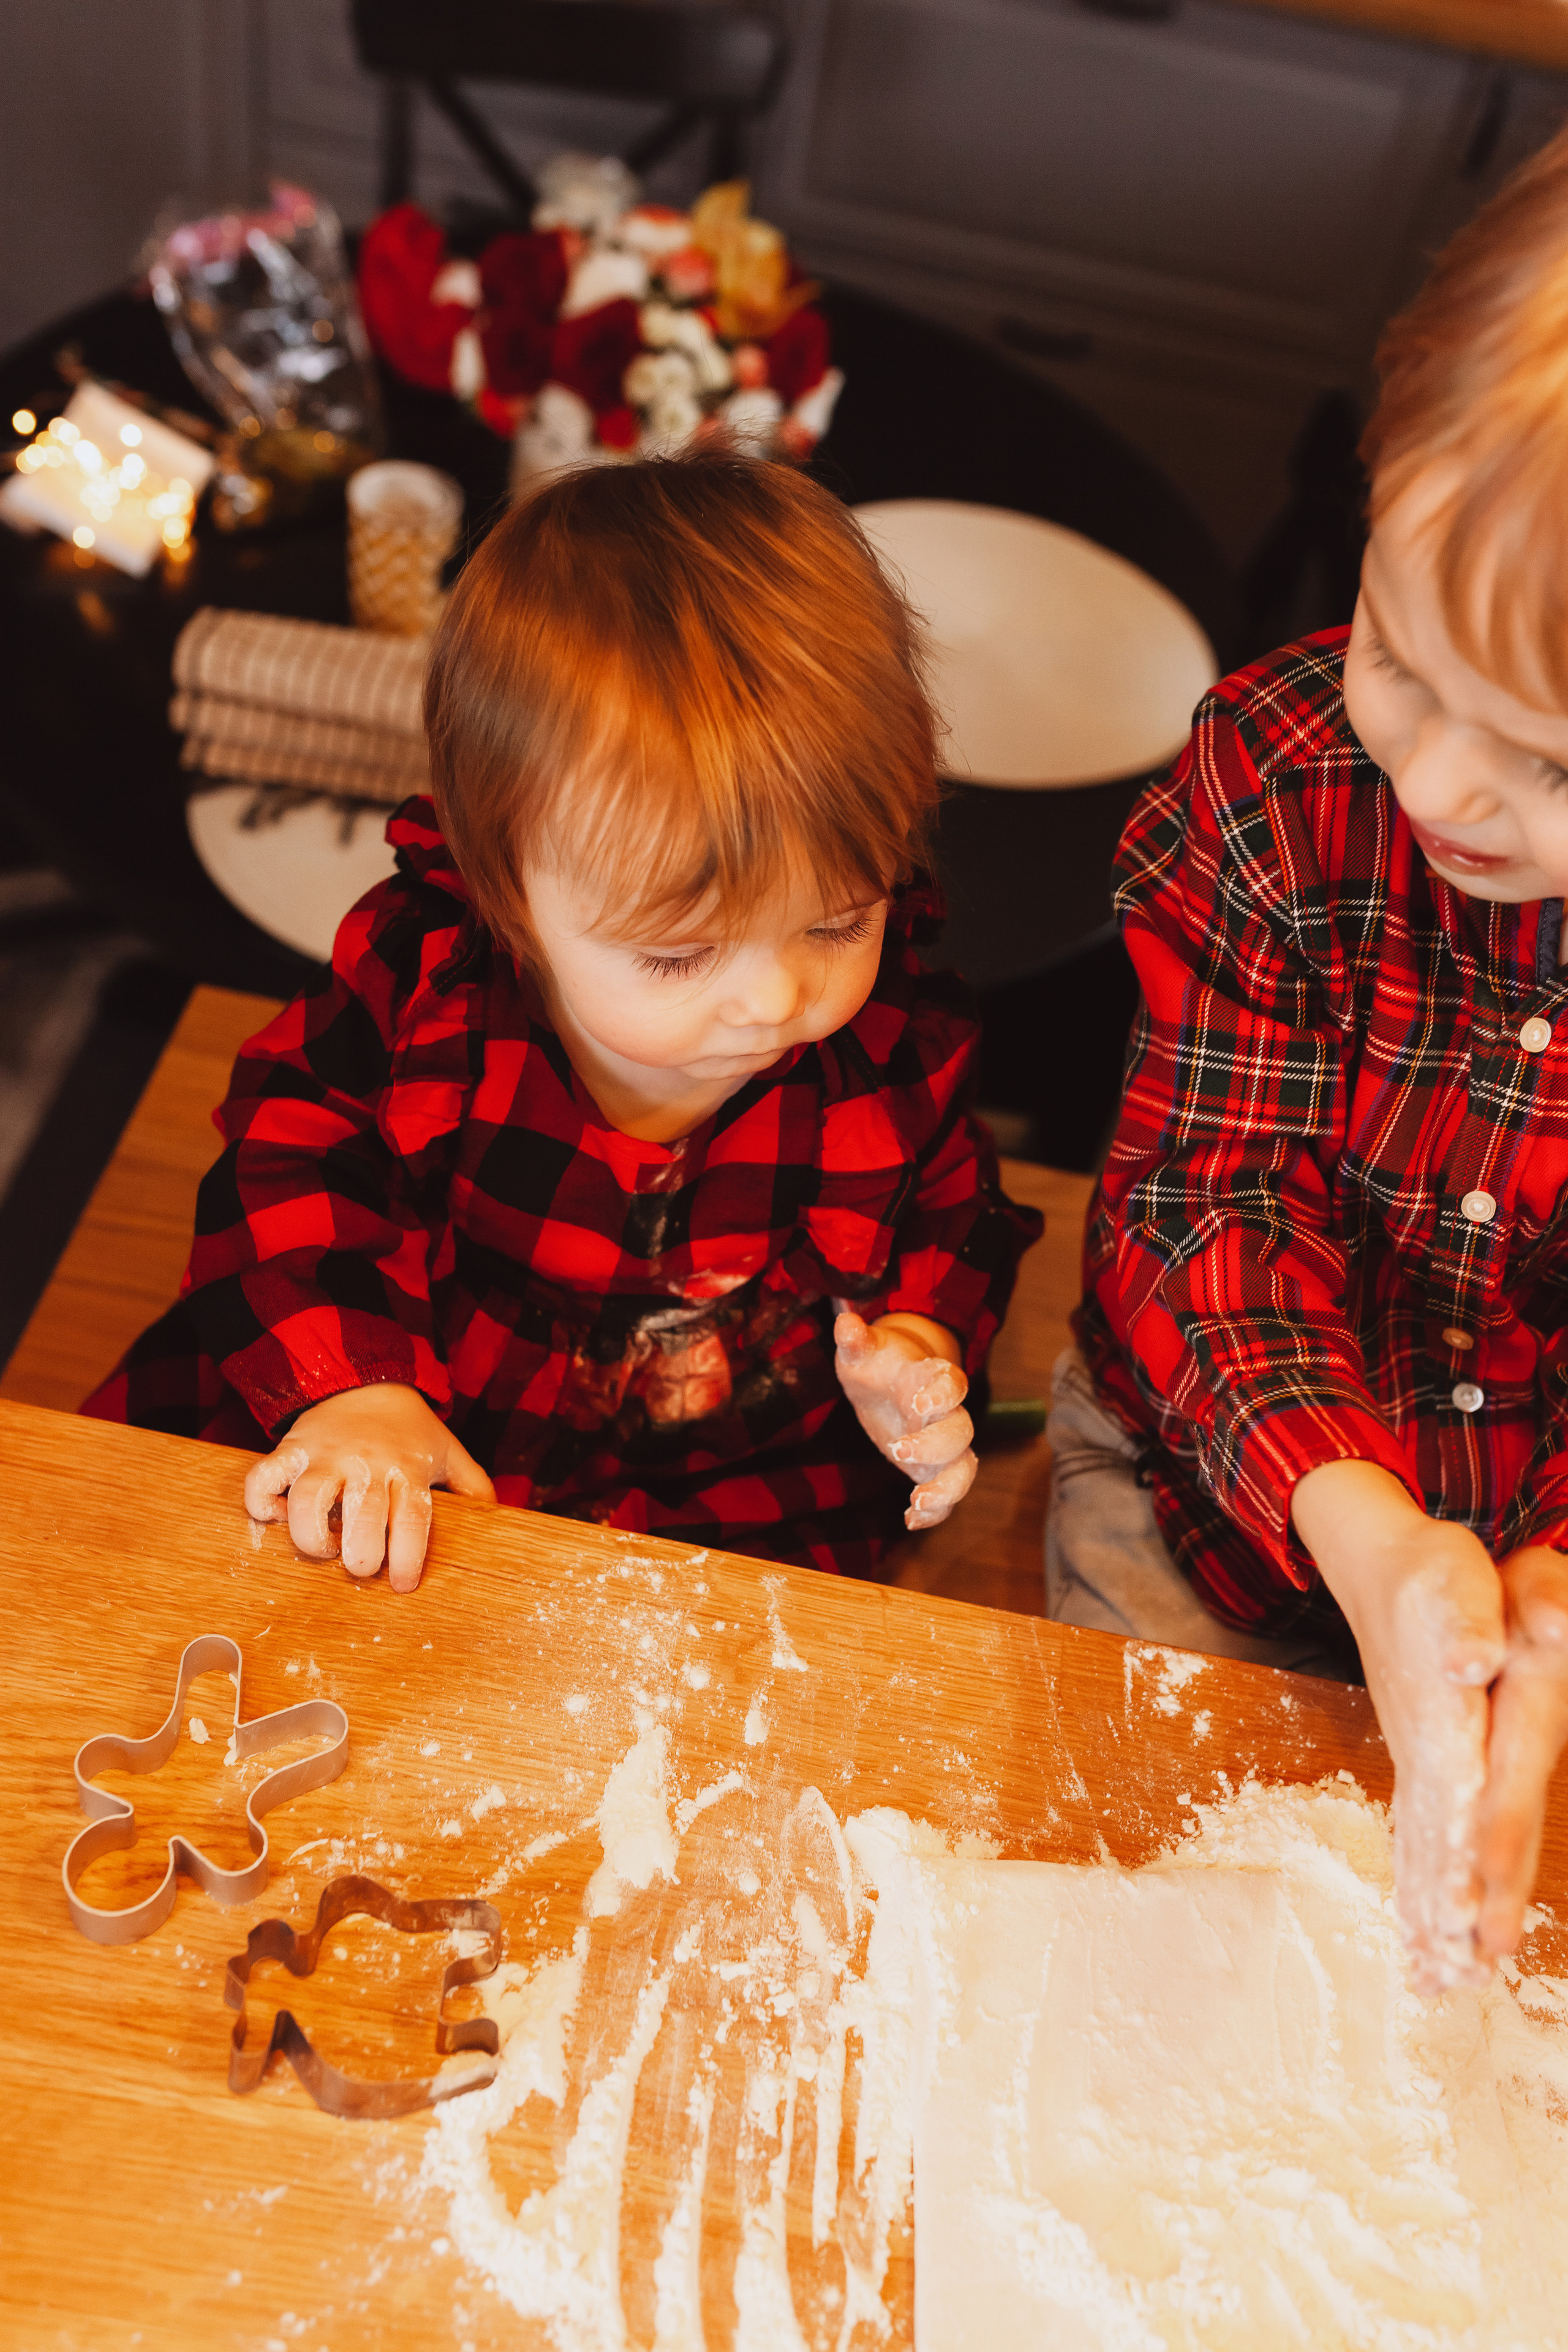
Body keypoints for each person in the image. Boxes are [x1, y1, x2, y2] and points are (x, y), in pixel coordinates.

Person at [86, 451, 1039, 1590]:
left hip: (722, 1458)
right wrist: (362, 1391)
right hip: (429, 1386)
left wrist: (918, 1348)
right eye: (680, 953)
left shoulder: (894, 1033)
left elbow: (952, 1206)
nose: (777, 998)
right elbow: (294, 1163)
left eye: (837, 924)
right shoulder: (434, 978)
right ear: (508, 892)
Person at [1054, 130, 1568, 1993]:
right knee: (1153, 1943)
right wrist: (1367, 1536)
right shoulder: (1283, 776)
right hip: (1211, 1485)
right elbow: (1201, 1201)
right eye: (1402, 651)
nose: (1435, 786)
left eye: (1556, 768)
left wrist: (1549, 1601)